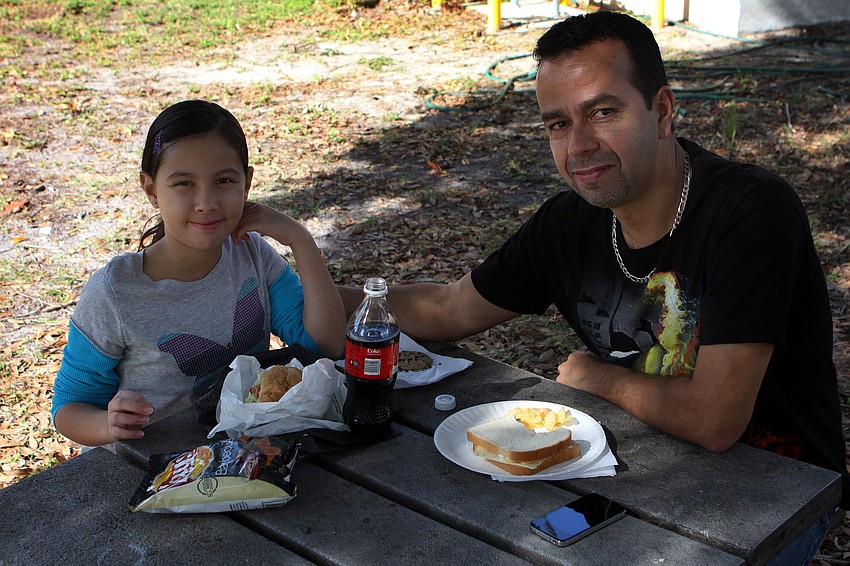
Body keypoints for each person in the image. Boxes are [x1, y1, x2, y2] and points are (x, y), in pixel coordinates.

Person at [339, 11, 848, 562]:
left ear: (662, 111)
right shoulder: (570, 222)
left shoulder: (750, 212)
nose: (579, 146)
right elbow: (444, 308)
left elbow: (714, 418)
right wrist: (302, 288)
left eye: (603, 112)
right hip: (639, 471)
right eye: (558, 124)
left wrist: (596, 377)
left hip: (776, 495)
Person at [52, 100, 346, 446]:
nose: (206, 202)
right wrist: (107, 424)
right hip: (157, 471)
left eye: (223, 180)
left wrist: (300, 240)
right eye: (184, 183)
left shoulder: (251, 255)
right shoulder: (116, 291)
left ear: (246, 183)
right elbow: (69, 407)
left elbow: (328, 345)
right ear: (151, 190)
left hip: (245, 451)